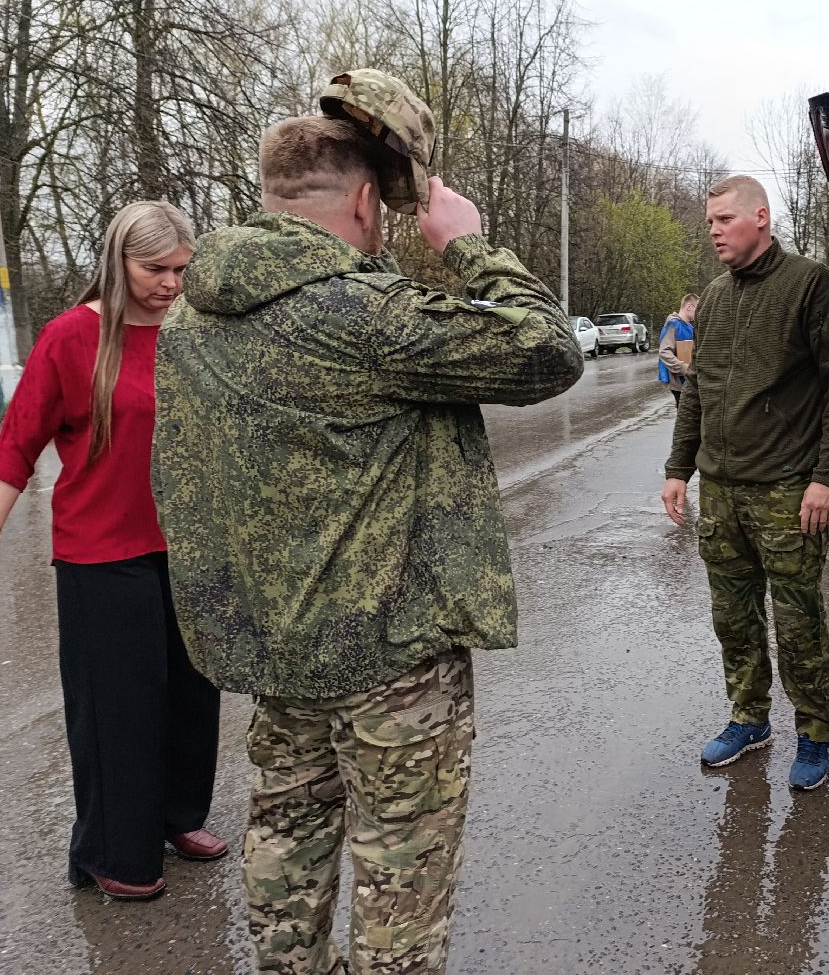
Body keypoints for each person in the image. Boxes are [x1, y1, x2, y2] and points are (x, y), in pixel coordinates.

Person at [152, 69, 582, 975]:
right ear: (360, 199)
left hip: (278, 651)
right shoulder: (359, 315)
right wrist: (469, 246)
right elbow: (546, 350)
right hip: (391, 664)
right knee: (401, 888)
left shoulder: (191, 317)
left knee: (285, 858)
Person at [0, 201, 224, 902]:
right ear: (117, 261)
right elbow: (17, 445)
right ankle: (113, 850)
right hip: (101, 554)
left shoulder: (196, 333)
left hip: (188, 545)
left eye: (182, 270)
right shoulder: (69, 337)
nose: (171, 284)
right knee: (119, 708)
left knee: (192, 698)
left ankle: (179, 818)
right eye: (156, 269)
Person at [660, 175, 829, 791]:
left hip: (786, 489)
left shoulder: (809, 284)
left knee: (797, 617)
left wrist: (827, 479)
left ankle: (814, 730)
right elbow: (698, 390)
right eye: (710, 222)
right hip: (722, 489)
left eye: (724, 219)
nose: (714, 230)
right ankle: (749, 718)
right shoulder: (714, 298)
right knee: (733, 616)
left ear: (761, 217)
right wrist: (677, 468)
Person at [657, 293, 698, 404]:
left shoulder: (690, 326)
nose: (699, 313)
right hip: (679, 383)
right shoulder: (673, 324)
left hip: (689, 380)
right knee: (685, 417)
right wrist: (683, 367)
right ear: (689, 307)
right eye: (697, 309)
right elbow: (664, 352)